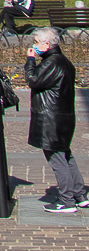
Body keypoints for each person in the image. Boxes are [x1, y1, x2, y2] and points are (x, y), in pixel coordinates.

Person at [26, 25, 89, 211]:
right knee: (65, 155)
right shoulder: (64, 61)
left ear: (46, 44)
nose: (34, 46)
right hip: (63, 117)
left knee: (57, 158)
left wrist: (30, 60)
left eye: (36, 43)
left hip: (51, 119)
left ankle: (67, 199)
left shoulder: (52, 62)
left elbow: (33, 79)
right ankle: (79, 194)